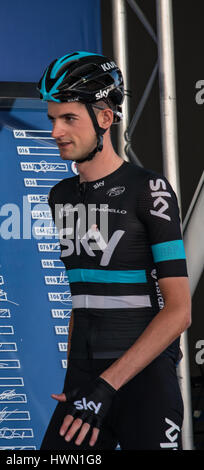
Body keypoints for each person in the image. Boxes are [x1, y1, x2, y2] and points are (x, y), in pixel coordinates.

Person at [37, 51, 191, 450]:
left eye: (69, 118)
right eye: (53, 118)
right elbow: (82, 297)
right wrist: (77, 379)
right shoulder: (61, 195)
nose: (56, 131)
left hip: (143, 383)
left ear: (105, 118)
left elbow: (179, 312)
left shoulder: (149, 191)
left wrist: (106, 386)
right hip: (86, 382)